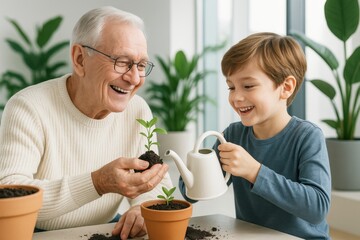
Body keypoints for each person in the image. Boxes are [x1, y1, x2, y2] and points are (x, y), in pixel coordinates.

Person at [0, 6, 173, 239]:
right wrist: (97, 183)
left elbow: (157, 186)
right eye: (122, 62)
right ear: (80, 59)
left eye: (141, 65)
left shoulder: (137, 109)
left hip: (104, 231)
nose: (133, 78)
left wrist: (144, 208)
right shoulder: (28, 106)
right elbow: (9, 193)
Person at [180, 32, 331, 239]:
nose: (236, 97)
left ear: (285, 87)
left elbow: (317, 208)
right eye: (231, 87)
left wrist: (255, 171)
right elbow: (193, 194)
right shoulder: (233, 135)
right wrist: (194, 167)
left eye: (248, 86)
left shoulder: (307, 136)